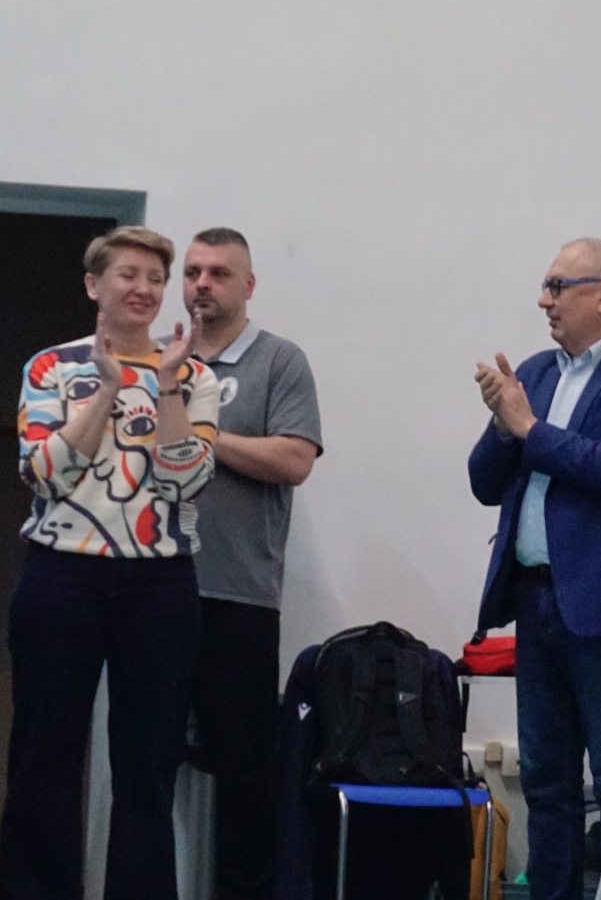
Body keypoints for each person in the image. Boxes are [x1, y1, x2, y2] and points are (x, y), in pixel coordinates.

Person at [467, 238, 601, 900]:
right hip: (534, 599)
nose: (544, 301)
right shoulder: (534, 373)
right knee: (545, 780)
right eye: (545, 286)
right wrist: (503, 426)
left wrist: (528, 429)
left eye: (558, 286)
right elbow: (483, 483)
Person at [4, 226, 220, 900]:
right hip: (61, 573)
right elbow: (43, 473)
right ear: (94, 285)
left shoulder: (193, 374)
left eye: (156, 279)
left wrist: (165, 387)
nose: (144, 289)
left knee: (148, 761)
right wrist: (104, 391)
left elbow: (186, 482)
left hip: (160, 582)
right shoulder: (50, 367)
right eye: (129, 275)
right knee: (44, 752)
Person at [180, 227, 324, 900]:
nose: (201, 284)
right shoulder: (161, 362)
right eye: (192, 272)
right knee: (143, 767)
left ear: (248, 284)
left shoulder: (279, 361)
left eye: (217, 273)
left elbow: (294, 458)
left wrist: (203, 437)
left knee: (244, 778)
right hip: (152, 592)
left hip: (239, 598)